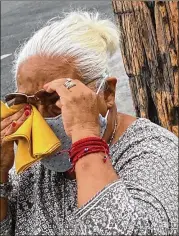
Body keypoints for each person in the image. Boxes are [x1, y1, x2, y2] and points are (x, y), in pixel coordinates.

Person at [0, 11, 178, 236]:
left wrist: (84, 135)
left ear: (108, 93)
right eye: (28, 103)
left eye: (56, 99)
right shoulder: (33, 166)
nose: (40, 120)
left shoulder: (155, 152)